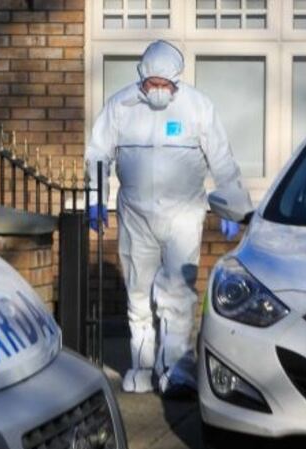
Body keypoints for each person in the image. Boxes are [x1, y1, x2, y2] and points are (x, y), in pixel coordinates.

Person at [85, 40, 251, 395]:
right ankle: (142, 365)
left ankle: (177, 368)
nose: (158, 91)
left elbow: (221, 156)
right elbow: (98, 152)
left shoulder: (198, 107)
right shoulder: (121, 106)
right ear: (142, 78)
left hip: (183, 213)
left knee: (177, 292)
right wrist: (95, 197)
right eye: (152, 84)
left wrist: (232, 201)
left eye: (165, 85)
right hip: (135, 214)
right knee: (138, 293)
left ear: (176, 82)